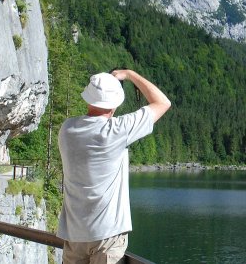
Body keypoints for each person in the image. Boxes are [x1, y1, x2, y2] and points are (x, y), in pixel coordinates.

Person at [57, 69, 171, 264]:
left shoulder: (67, 129)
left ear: (88, 99)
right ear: (115, 104)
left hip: (74, 234)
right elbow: (163, 103)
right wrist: (130, 74)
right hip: (107, 235)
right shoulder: (116, 131)